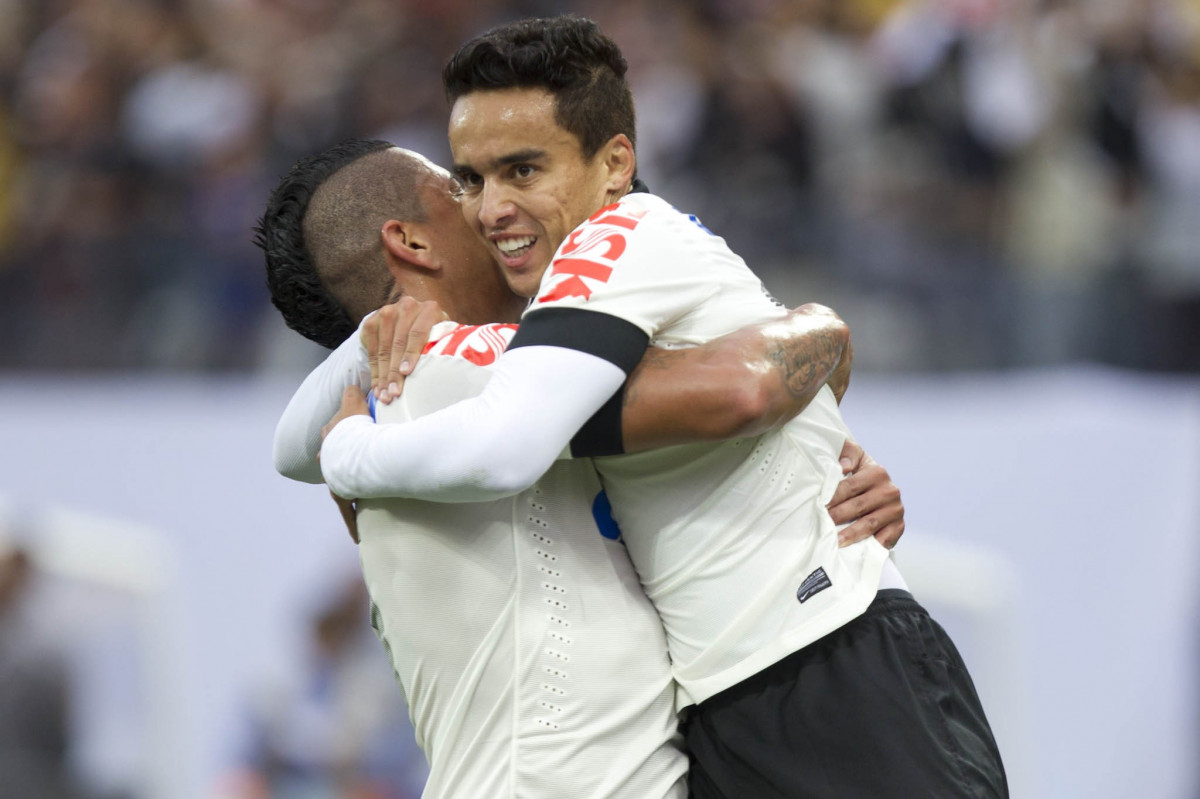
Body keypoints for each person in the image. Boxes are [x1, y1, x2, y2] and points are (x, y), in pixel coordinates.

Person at [318, 16, 1007, 798]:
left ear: (615, 163)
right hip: (723, 705)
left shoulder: (616, 237)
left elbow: (734, 387)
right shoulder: (550, 322)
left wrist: (350, 448)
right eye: (472, 178)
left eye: (522, 170)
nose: (490, 208)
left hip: (828, 661)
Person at [259, 139, 899, 798]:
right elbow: (739, 387)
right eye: (462, 189)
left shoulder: (401, 396)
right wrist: (824, 327)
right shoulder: (459, 365)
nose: (492, 209)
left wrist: (823, 480)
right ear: (413, 245)